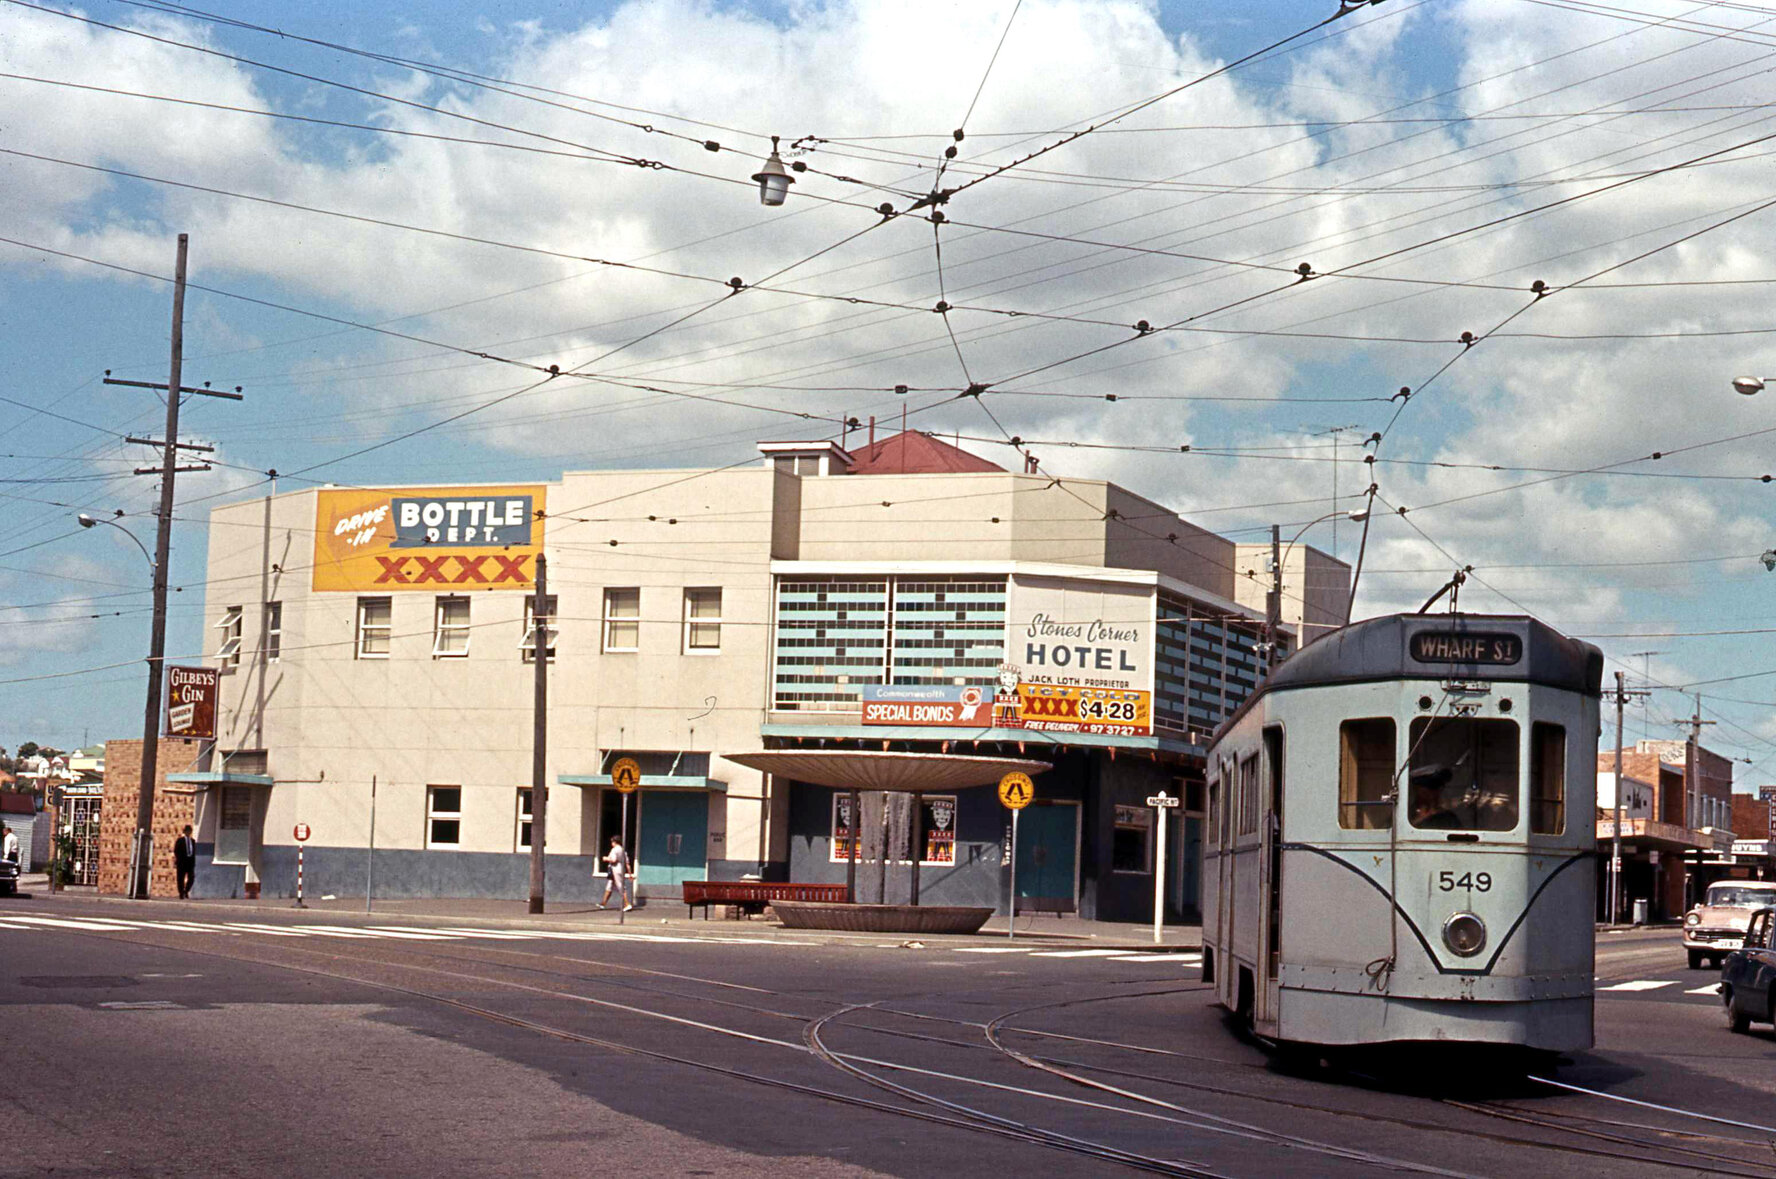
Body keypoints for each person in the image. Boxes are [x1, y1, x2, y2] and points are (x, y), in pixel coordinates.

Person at [599, 835, 632, 912]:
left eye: (612, 842)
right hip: (621, 869)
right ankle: (603, 903)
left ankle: (627, 904)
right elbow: (627, 863)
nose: (611, 843)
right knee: (609, 886)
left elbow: (613, 860)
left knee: (620, 886)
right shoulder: (623, 850)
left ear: (614, 842)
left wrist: (605, 858)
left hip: (615, 869)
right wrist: (630, 874)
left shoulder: (614, 850)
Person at [172, 824, 197, 899]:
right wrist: (178, 859)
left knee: (191, 877)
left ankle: (186, 890)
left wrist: (193, 862)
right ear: (185, 832)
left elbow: (193, 852)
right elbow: (176, 851)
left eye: (190, 831)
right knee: (180, 878)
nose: (188, 833)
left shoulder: (192, 841)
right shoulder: (180, 840)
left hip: (190, 862)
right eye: (187, 831)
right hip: (182, 862)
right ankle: (181, 893)